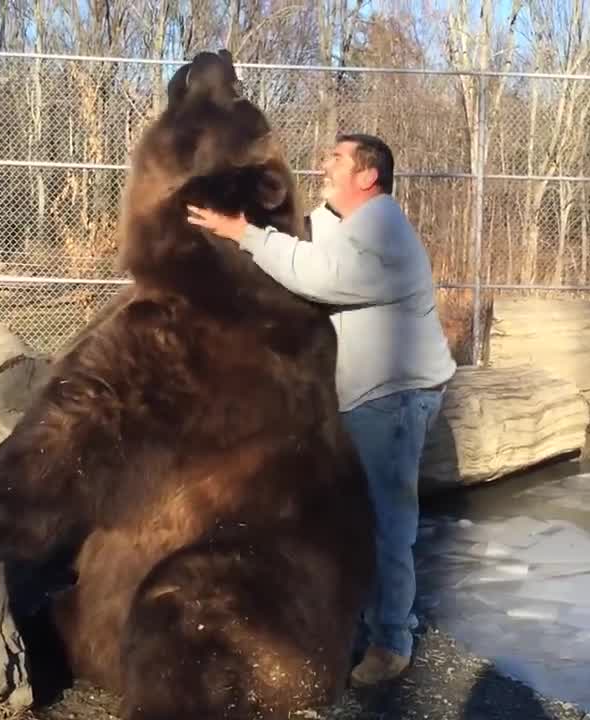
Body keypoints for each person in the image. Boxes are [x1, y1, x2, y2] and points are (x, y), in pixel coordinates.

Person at [186, 133, 457, 686]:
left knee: (387, 524)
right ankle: (361, 619)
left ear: (368, 176)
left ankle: (390, 642)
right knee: (359, 517)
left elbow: (321, 276)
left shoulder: (383, 232)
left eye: (336, 159)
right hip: (375, 396)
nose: (323, 165)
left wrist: (245, 233)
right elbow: (322, 236)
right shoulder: (360, 222)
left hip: (395, 399)